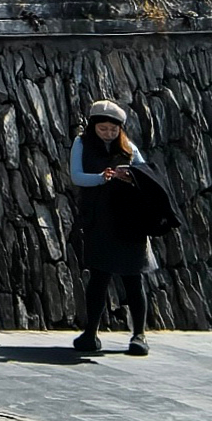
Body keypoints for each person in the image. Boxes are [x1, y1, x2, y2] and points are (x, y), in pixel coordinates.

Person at [70, 97, 159, 356]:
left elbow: (146, 174)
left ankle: (139, 334)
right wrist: (102, 178)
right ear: (93, 126)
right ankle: (90, 333)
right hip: (99, 219)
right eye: (103, 129)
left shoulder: (128, 147)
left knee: (133, 277)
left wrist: (130, 176)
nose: (108, 133)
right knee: (99, 277)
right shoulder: (81, 144)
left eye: (113, 129)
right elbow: (77, 176)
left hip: (129, 220)